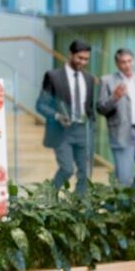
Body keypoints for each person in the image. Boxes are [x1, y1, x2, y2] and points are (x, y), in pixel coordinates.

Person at [37, 40, 96, 194]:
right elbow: (41, 104)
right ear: (70, 54)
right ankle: (50, 195)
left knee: (85, 172)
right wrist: (57, 116)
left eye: (86, 59)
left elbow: (89, 108)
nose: (82, 62)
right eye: (79, 58)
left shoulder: (89, 79)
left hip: (82, 130)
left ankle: (79, 205)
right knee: (67, 169)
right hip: (62, 131)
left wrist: (92, 128)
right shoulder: (53, 76)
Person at [96, 48, 135, 190]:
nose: (127, 65)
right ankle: (122, 208)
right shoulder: (107, 81)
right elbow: (100, 108)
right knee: (124, 178)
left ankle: (132, 197)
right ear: (117, 64)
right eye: (123, 62)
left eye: (129, 61)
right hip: (121, 134)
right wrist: (115, 97)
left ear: (134, 61)